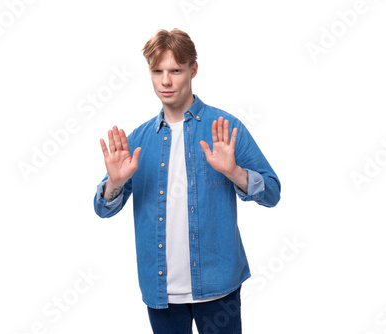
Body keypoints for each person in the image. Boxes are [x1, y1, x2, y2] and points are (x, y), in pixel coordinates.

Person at [93, 28, 281, 334]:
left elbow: (272, 192)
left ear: (193, 69)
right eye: (157, 71)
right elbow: (102, 209)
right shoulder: (138, 140)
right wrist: (114, 183)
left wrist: (235, 173)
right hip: (160, 291)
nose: (165, 81)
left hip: (220, 287)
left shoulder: (226, 128)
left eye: (176, 70)